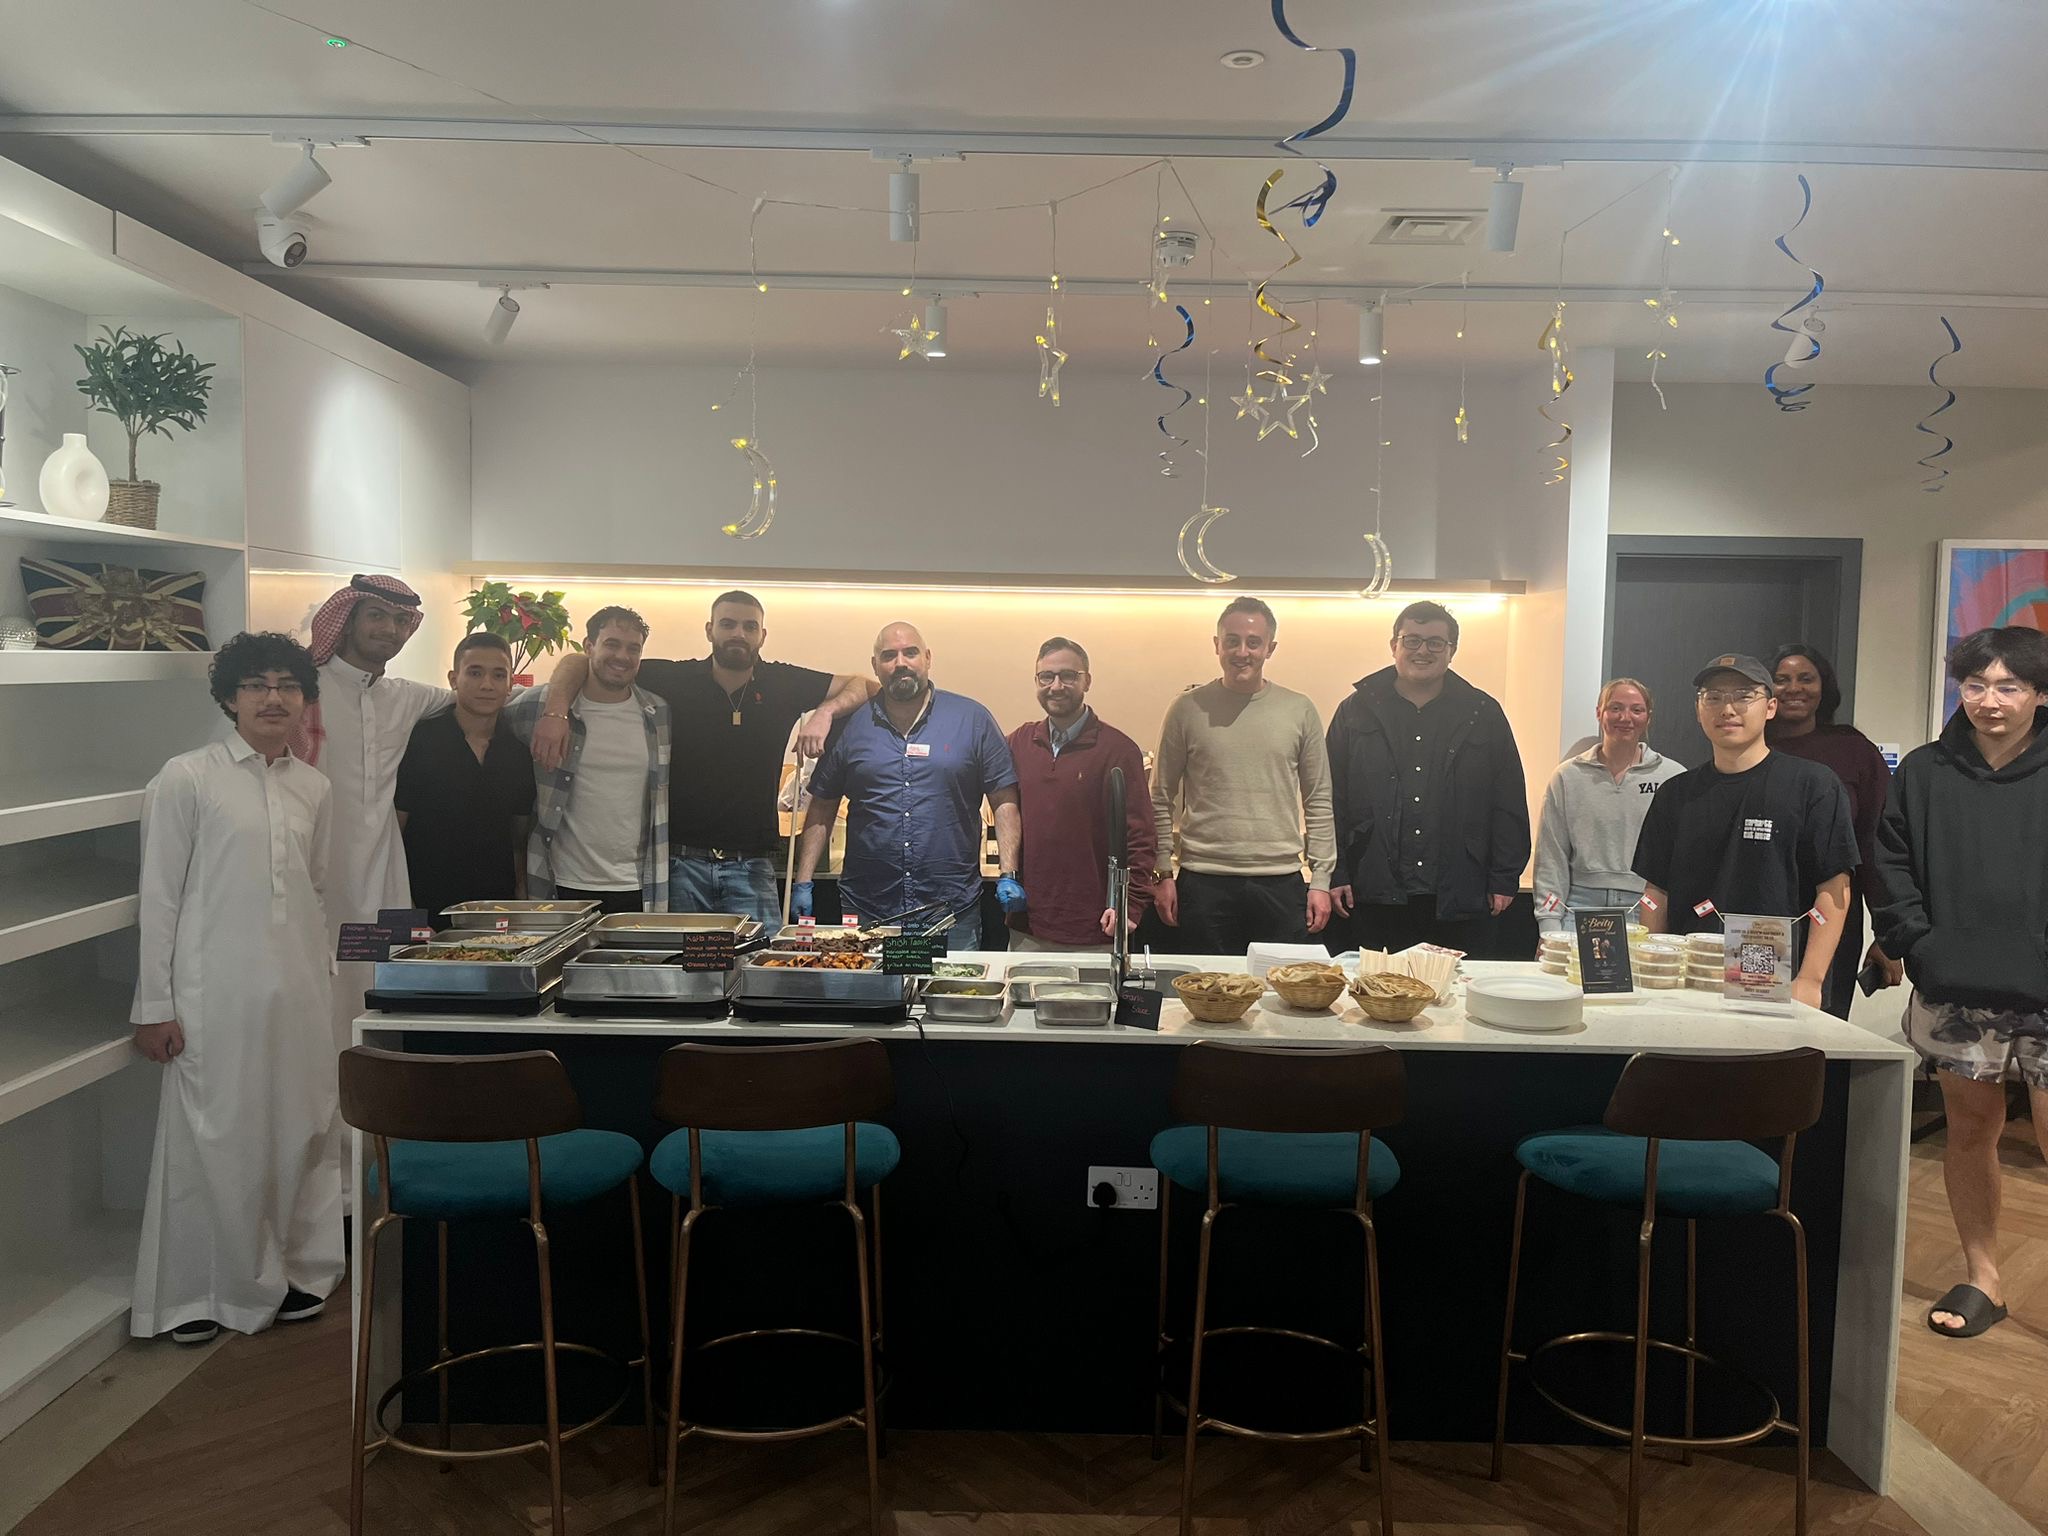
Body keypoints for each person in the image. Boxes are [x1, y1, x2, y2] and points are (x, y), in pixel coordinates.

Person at [130, 632, 342, 1346]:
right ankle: (196, 1292)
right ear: (229, 698)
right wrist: (153, 1005)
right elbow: (160, 897)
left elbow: (315, 890)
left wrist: (322, 979)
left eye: (287, 685)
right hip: (211, 992)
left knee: (299, 1127)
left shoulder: (314, 787)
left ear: (304, 699)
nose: (273, 698)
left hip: (298, 991)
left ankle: (297, 1270)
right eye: (257, 685)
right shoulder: (186, 777)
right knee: (213, 1137)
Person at [1872, 625, 2048, 1340]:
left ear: (2039, 693)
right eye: (1976, 685)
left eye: (2009, 686)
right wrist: (1920, 944)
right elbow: (1889, 864)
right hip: (1956, 987)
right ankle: (1984, 1277)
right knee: (1971, 1131)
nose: (1989, 700)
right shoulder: (1924, 770)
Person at [534, 590, 875, 923]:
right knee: (684, 963)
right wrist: (555, 712)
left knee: (759, 961)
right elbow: (580, 661)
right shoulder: (675, 679)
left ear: (762, 635)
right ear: (710, 630)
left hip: (752, 867)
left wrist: (825, 713)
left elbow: (865, 685)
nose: (738, 633)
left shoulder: (783, 683)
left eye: (749, 626)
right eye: (727, 624)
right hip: (681, 865)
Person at [1631, 653, 1858, 1010]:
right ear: (1698, 710)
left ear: (1770, 707)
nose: (1727, 709)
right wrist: (1655, 968)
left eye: (1743, 696)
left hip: (1774, 982)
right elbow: (1656, 891)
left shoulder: (1813, 785)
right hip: (1689, 982)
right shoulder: (1676, 793)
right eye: (1714, 697)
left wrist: (1810, 980)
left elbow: (1834, 888)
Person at [793, 622, 1020, 951]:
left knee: (948, 987)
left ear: (927, 658)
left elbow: (1003, 798)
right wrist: (803, 881)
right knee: (868, 986)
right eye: (889, 656)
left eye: (910, 653)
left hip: (949, 913)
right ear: (875, 666)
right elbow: (823, 805)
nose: (900, 663)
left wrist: (1008, 873)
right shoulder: (850, 726)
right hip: (869, 910)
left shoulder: (972, 719)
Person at [1326, 601, 1530, 954]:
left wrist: (1504, 876)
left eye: (1436, 642)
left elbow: (1508, 798)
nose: (1423, 650)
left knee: (1457, 987)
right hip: (1371, 891)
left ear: (1452, 650)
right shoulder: (1355, 710)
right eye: (1412, 640)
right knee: (1375, 986)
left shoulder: (1483, 712)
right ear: (1394, 645)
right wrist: (1335, 871)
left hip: (1460, 891)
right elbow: (1331, 798)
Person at [1150, 597, 1335, 953]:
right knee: (1206, 985)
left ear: (1270, 648)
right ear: (1217, 645)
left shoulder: (1299, 710)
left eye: (1253, 642)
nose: (1242, 652)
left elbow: (1319, 799)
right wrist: (1163, 872)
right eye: (1232, 641)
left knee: (1281, 986)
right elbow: (1159, 795)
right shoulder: (1186, 709)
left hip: (1280, 882)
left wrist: (1321, 879)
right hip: (1203, 881)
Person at [504, 606, 670, 914]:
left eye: (633, 648)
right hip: (559, 881)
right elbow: (483, 710)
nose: (622, 656)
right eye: (611, 644)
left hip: (638, 884)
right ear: (589, 646)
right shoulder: (537, 708)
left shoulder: (658, 713)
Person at [1768, 643, 1899, 1017]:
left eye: (1806, 678)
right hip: (1756, 914)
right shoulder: (1749, 747)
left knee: (1820, 1028)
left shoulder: (1852, 750)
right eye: (1782, 679)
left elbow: (1877, 844)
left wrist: (1889, 935)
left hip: (1833, 913)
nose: (1794, 688)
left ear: (1824, 687)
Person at [1005, 637, 1157, 951]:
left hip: (1096, 927)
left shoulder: (1118, 750)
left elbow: (1141, 836)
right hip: (1028, 925)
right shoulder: (1019, 743)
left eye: (1068, 676)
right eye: (1046, 677)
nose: (1056, 686)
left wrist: (1130, 905)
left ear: (1087, 681)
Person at [394, 632, 536, 925]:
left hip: (497, 911)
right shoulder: (419, 742)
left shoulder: (518, 752)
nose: (487, 685)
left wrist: (521, 896)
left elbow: (518, 840)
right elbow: (395, 831)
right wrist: (405, 906)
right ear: (453, 679)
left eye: (499, 675)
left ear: (510, 684)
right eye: (475, 672)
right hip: (426, 907)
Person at [1532, 678, 1684, 935]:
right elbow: (1551, 858)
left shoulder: (1673, 777)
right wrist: (1548, 925)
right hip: (1578, 906)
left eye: (1636, 709)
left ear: (1648, 717)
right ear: (1599, 712)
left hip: (1645, 907)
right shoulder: (1567, 777)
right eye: (1615, 708)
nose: (1625, 717)